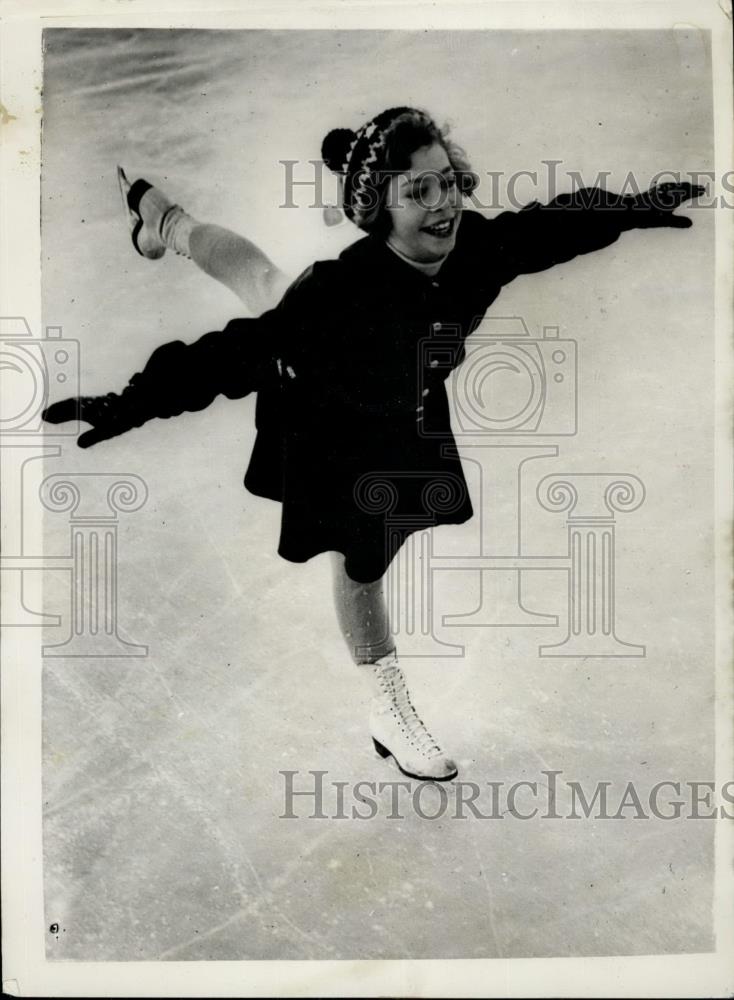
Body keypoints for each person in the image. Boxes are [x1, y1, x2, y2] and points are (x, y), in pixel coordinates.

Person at [43, 106, 702, 781]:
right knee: (362, 559)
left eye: (446, 181)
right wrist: (130, 403)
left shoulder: (470, 246)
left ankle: (167, 222)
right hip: (329, 416)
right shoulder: (338, 305)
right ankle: (387, 705)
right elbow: (232, 356)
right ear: (380, 208)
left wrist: (632, 208)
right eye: (418, 192)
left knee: (264, 280)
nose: (445, 204)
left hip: (398, 400)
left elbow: (543, 229)